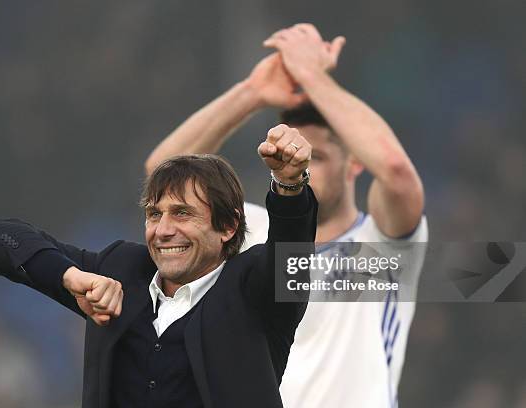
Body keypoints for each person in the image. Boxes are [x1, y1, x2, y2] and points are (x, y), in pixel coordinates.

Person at [145, 24, 428, 407]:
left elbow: (396, 172)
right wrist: (252, 93)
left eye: (318, 156)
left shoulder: (385, 246)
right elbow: (163, 175)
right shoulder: (253, 231)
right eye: (292, 149)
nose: (301, 159)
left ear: (355, 162)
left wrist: (311, 76)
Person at [0, 126, 317, 408]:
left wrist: (289, 185)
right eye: (155, 214)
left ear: (228, 226)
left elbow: (291, 256)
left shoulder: (254, 288)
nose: (164, 229)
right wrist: (70, 277)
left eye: (182, 213)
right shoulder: (119, 272)